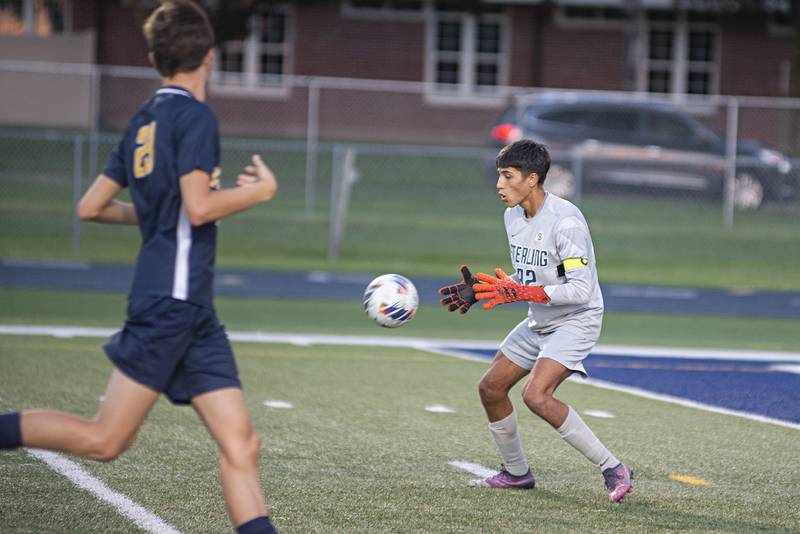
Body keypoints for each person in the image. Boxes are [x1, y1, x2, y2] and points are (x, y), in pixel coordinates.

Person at [0, 1, 280, 532]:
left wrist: (158, 212)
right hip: (171, 301)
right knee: (104, 440)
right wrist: (258, 193)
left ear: (154, 58)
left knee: (241, 442)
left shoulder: (142, 120)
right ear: (210, 57)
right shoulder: (195, 116)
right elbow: (199, 206)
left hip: (191, 307)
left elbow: (91, 207)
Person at [438, 139, 633, 503]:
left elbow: (581, 290)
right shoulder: (512, 216)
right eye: (499, 175)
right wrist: (484, 289)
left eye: (507, 176)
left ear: (532, 179)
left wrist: (522, 293)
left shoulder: (567, 222)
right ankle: (516, 473)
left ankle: (614, 468)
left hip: (576, 319)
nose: (499, 184)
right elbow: (532, 274)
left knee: (536, 395)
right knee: (491, 389)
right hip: (540, 318)